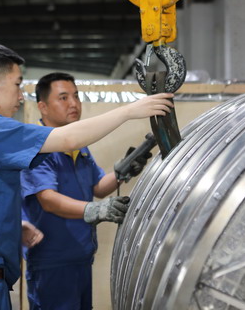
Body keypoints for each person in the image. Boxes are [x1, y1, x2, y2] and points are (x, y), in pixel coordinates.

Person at [0, 43, 173, 310]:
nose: (21, 96)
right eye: (16, 84)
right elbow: (66, 139)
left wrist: (11, 227)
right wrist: (129, 111)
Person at [20, 72, 153, 310]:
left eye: (76, 96)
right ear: (43, 107)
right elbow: (48, 200)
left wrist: (124, 170)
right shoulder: (37, 149)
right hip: (53, 262)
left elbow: (98, 187)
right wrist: (95, 209)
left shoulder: (78, 147)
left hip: (80, 257)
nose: (73, 104)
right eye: (63, 98)